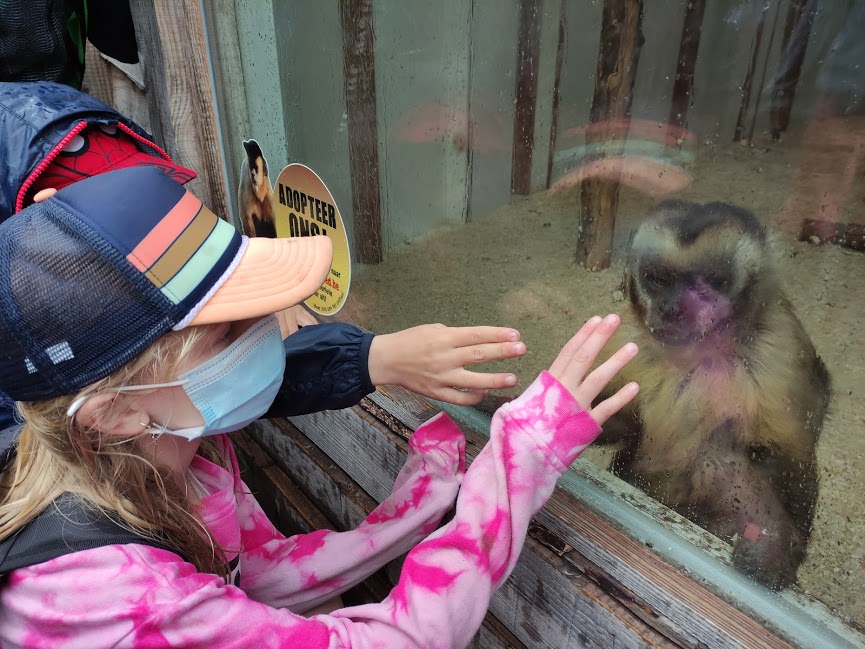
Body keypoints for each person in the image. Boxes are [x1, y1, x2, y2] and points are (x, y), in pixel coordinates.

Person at [0, 166, 638, 647]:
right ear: (113, 411)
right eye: (230, 331)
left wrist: (406, 516)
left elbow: (252, 573)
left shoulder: (165, 454)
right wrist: (521, 454)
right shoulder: (129, 600)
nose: (270, 329)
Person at [0, 80, 528, 432]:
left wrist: (371, 357)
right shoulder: (112, 565)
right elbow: (188, 379)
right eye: (229, 329)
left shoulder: (150, 439)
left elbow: (183, 382)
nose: (258, 329)